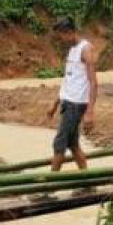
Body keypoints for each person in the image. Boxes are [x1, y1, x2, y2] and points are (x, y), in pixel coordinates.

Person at [44, 17, 96, 171]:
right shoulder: (72, 50)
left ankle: (49, 187)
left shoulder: (86, 49)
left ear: (70, 32)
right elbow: (68, 80)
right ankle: (87, 181)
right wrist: (55, 105)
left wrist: (90, 112)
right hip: (68, 102)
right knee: (73, 145)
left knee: (59, 144)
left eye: (61, 36)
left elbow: (93, 82)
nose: (61, 40)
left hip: (76, 104)